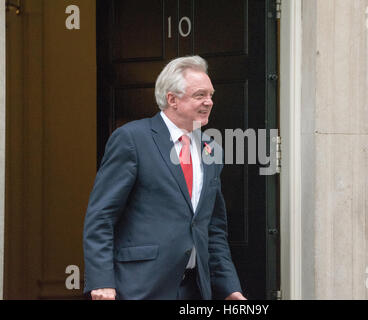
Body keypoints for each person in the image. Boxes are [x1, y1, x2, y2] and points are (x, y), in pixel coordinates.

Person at [83, 55, 246, 300]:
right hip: (140, 286)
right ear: (172, 99)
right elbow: (101, 215)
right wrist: (102, 281)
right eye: (200, 95)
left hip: (195, 290)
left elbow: (213, 228)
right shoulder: (132, 139)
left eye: (211, 95)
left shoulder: (212, 149)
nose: (209, 102)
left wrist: (229, 287)